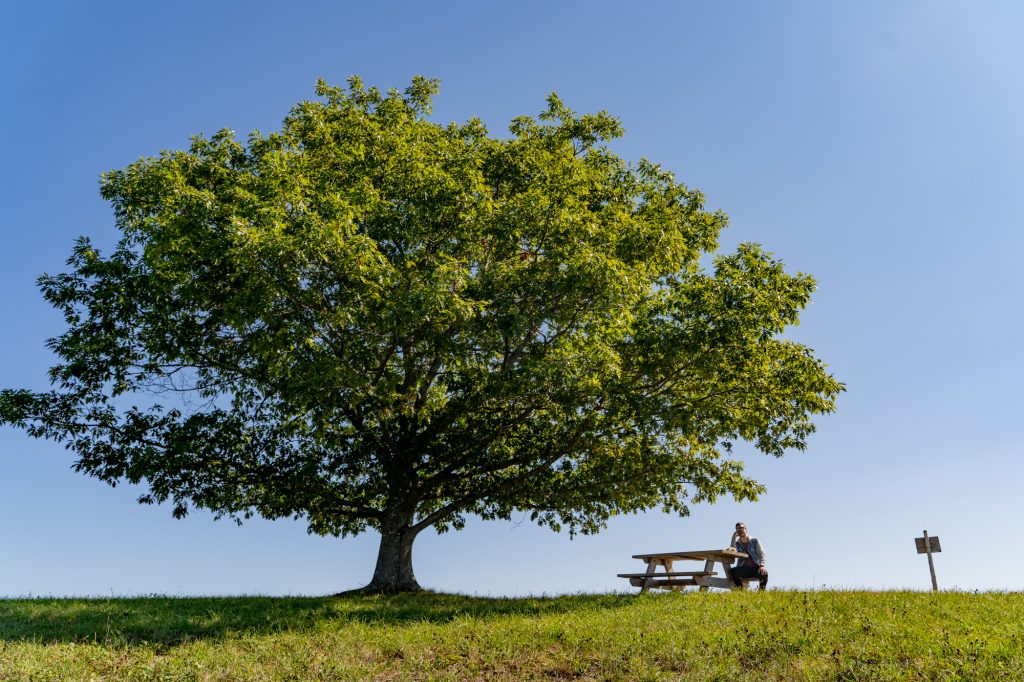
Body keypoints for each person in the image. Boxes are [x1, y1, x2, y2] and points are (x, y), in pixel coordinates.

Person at [729, 522, 768, 590]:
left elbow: (761, 553)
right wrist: (733, 538)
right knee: (733, 571)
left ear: (746, 529)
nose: (740, 530)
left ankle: (761, 594)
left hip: (755, 568)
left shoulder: (755, 541)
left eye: (741, 528)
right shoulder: (737, 544)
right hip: (743, 569)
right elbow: (732, 551)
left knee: (764, 573)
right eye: (738, 529)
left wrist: (762, 565)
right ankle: (741, 591)